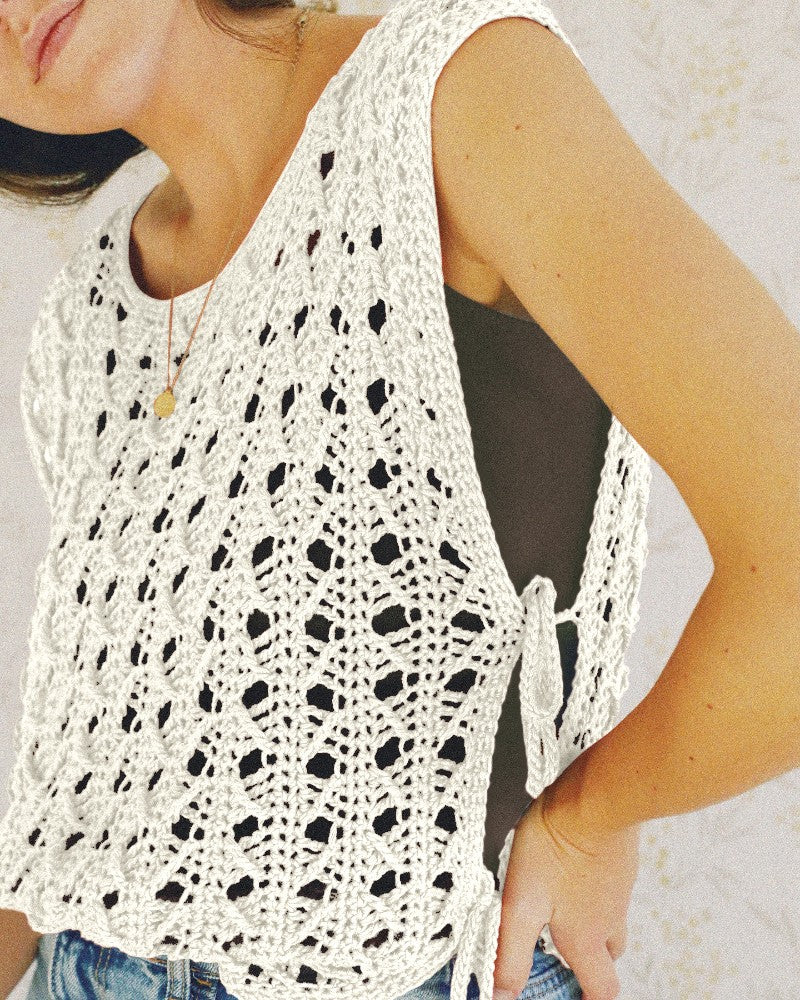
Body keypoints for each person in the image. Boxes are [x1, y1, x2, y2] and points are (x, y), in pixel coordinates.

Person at [0, 1, 798, 1000]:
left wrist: (589, 817)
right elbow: (95, 761)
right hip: (79, 967)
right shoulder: (89, 312)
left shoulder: (456, 94)